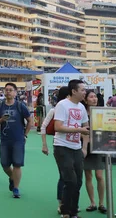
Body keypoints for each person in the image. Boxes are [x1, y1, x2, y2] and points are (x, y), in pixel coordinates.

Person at [53, 79, 90, 218]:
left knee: (79, 181)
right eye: (82, 90)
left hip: (77, 148)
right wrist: (79, 130)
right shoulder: (62, 105)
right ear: (74, 91)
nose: (84, 92)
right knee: (70, 180)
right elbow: (58, 127)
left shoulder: (81, 107)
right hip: (62, 147)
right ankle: (65, 211)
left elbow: (86, 127)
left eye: (85, 90)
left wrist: (84, 148)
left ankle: (73, 211)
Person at [0, 83, 33, 198]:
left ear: (15, 92)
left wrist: (25, 135)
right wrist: (1, 120)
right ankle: (12, 177)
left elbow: (30, 121)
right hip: (4, 140)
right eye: (6, 90)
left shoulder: (20, 106)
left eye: (11, 90)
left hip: (18, 140)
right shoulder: (0, 106)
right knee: (4, 164)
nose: (8, 92)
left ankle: (16, 188)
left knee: (17, 164)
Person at [41, 86, 70, 214]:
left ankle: (70, 202)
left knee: (74, 176)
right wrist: (44, 145)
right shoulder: (54, 110)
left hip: (74, 145)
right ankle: (62, 203)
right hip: (59, 144)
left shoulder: (77, 108)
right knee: (64, 175)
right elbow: (43, 127)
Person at [80, 90, 107, 213]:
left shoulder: (101, 113)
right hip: (85, 146)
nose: (94, 99)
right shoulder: (81, 113)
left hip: (99, 146)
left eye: (95, 97)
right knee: (88, 175)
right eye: (91, 97)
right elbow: (78, 129)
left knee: (99, 175)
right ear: (85, 100)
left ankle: (102, 203)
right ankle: (92, 202)